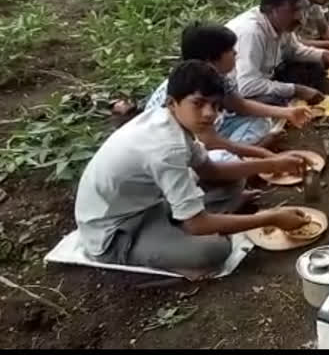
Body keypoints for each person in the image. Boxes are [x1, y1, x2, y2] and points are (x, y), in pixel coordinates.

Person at [75, 60, 312, 278]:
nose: (209, 114)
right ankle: (162, 259)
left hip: (149, 203)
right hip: (116, 232)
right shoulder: (166, 146)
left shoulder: (172, 122)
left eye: (215, 105)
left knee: (233, 181)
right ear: (172, 102)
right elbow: (196, 225)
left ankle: (198, 223)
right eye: (198, 104)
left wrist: (273, 163)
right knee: (215, 249)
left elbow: (211, 171)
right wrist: (269, 218)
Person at [145, 22, 313, 160]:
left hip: (204, 134)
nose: (235, 52)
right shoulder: (193, 86)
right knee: (223, 159)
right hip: (176, 149)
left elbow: (240, 105)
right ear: (211, 58)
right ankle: (241, 158)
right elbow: (208, 140)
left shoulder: (212, 76)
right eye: (230, 50)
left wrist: (288, 113)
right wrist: (263, 154)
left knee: (261, 121)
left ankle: (242, 154)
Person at [226, 0, 329, 105]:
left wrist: (325, 55)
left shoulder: (280, 24)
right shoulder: (252, 32)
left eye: (300, 10)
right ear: (272, 9)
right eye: (293, 10)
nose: (299, 17)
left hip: (267, 75)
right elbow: (247, 86)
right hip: (234, 91)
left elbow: (294, 50)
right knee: (275, 101)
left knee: (314, 67)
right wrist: (296, 90)